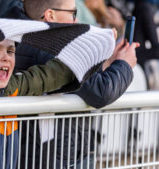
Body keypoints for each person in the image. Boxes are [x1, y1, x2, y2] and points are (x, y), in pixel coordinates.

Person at [0, 15, 116, 168]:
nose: (5, 58)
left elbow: (49, 76)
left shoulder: (15, 86)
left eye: (10, 51)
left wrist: (89, 49)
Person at [13, 0, 140, 168]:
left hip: (55, 150)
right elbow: (100, 92)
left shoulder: (27, 37)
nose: (77, 22)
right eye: (73, 14)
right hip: (57, 155)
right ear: (50, 15)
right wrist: (124, 64)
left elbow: (82, 82)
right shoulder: (50, 45)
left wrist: (110, 61)